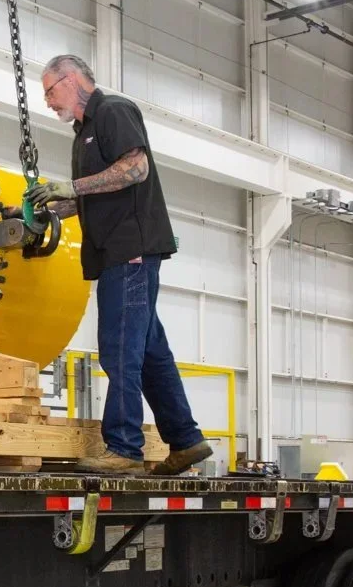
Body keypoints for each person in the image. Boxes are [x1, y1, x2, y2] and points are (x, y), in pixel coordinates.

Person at [24, 54, 212, 476]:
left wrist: (69, 186)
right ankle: (185, 440)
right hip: (119, 253)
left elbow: (135, 168)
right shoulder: (83, 133)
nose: (48, 101)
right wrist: (53, 208)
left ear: (71, 81)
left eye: (50, 91)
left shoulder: (112, 111)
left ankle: (124, 448)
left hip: (130, 252)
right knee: (149, 352)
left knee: (121, 349)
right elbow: (96, 192)